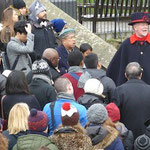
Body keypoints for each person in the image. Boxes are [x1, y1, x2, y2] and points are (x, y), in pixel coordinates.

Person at [107, 12, 150, 86]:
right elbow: (116, 67)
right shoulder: (126, 45)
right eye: (142, 25)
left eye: (146, 24)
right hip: (131, 88)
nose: (145, 27)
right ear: (135, 27)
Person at [112, 62, 150, 139]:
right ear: (141, 75)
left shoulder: (119, 91)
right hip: (147, 136)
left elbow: (115, 116)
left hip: (126, 136)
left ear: (125, 75)